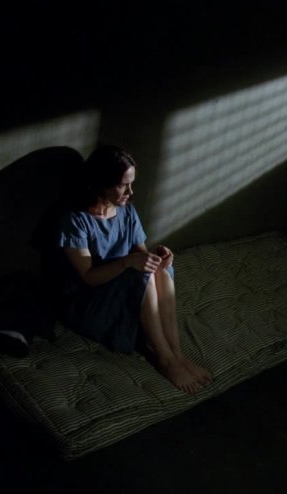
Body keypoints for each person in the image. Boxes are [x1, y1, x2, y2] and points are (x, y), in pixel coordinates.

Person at [57, 144, 212, 394]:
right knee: (141, 274)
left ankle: (177, 353)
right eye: (123, 185)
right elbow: (88, 278)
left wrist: (160, 259)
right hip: (90, 302)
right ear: (101, 183)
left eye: (131, 184)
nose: (130, 192)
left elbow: (142, 254)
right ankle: (165, 359)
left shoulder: (126, 211)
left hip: (122, 289)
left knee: (159, 271)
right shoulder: (76, 220)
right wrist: (128, 262)